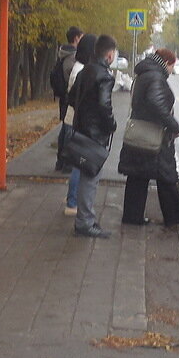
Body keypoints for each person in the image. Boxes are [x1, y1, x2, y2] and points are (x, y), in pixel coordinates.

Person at [119, 48, 179, 227]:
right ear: (166, 63)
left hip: (141, 132)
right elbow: (156, 103)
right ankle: (175, 217)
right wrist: (174, 125)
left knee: (138, 176)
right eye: (172, 67)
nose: (171, 71)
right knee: (166, 176)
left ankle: (132, 216)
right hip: (155, 135)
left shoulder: (144, 74)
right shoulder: (156, 77)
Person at [68, 34, 118, 238]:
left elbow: (71, 98)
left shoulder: (84, 71)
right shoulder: (104, 76)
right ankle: (85, 222)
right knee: (90, 178)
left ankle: (84, 218)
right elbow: (104, 105)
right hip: (95, 135)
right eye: (114, 53)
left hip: (80, 131)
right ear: (109, 54)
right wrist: (111, 124)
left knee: (83, 176)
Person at [60, 33, 96, 217]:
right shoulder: (81, 70)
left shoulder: (80, 67)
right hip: (77, 122)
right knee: (79, 163)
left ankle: (72, 198)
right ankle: (72, 201)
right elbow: (78, 98)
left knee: (78, 162)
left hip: (73, 120)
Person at [51, 26, 83, 172]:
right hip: (69, 98)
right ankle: (66, 162)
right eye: (81, 37)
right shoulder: (73, 58)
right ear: (76, 38)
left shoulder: (63, 53)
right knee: (69, 129)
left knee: (65, 128)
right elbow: (72, 79)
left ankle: (61, 162)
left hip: (64, 97)